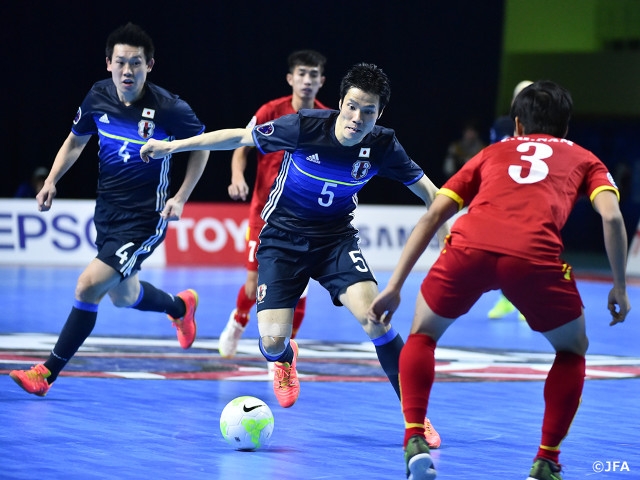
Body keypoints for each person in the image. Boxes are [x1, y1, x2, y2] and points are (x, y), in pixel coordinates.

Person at [141, 62, 447, 448]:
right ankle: (285, 358)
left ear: (379, 114)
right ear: (339, 103)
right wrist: (172, 146)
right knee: (270, 342)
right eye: (351, 107)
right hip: (283, 240)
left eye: (368, 111)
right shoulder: (305, 126)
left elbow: (432, 194)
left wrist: (449, 228)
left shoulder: (384, 145)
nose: (357, 118)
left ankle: (416, 421)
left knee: (377, 323)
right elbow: (239, 137)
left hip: (335, 241)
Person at [367, 80, 630, 480]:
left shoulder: (492, 152)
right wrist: (619, 286)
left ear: (518, 123)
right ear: (566, 125)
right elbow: (611, 217)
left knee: (422, 335)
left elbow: (432, 216)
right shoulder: (586, 159)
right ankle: (546, 460)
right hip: (533, 258)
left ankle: (415, 437)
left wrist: (394, 285)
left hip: (469, 249)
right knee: (572, 351)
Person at [9, 22, 209, 397]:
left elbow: (201, 146)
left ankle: (46, 373)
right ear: (108, 64)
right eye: (120, 63)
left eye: (136, 63)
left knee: (88, 286)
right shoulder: (98, 96)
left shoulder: (169, 108)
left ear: (150, 65)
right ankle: (181, 307)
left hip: (145, 218)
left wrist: (181, 196)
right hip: (107, 213)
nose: (127, 71)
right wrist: (51, 179)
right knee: (123, 294)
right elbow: (74, 141)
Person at [219, 49, 329, 359]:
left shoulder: (326, 119)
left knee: (299, 292)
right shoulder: (270, 111)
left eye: (313, 75)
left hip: (302, 220)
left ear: (322, 80)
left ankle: (280, 355)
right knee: (254, 285)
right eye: (302, 74)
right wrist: (237, 176)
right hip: (264, 214)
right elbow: (241, 144)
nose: (307, 81)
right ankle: (238, 323)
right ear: (290, 78)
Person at [487, 80, 533, 321]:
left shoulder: (542, 129)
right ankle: (506, 299)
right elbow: (493, 158)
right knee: (500, 250)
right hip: (502, 196)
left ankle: (527, 300)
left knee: (527, 250)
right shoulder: (502, 125)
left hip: (531, 199)